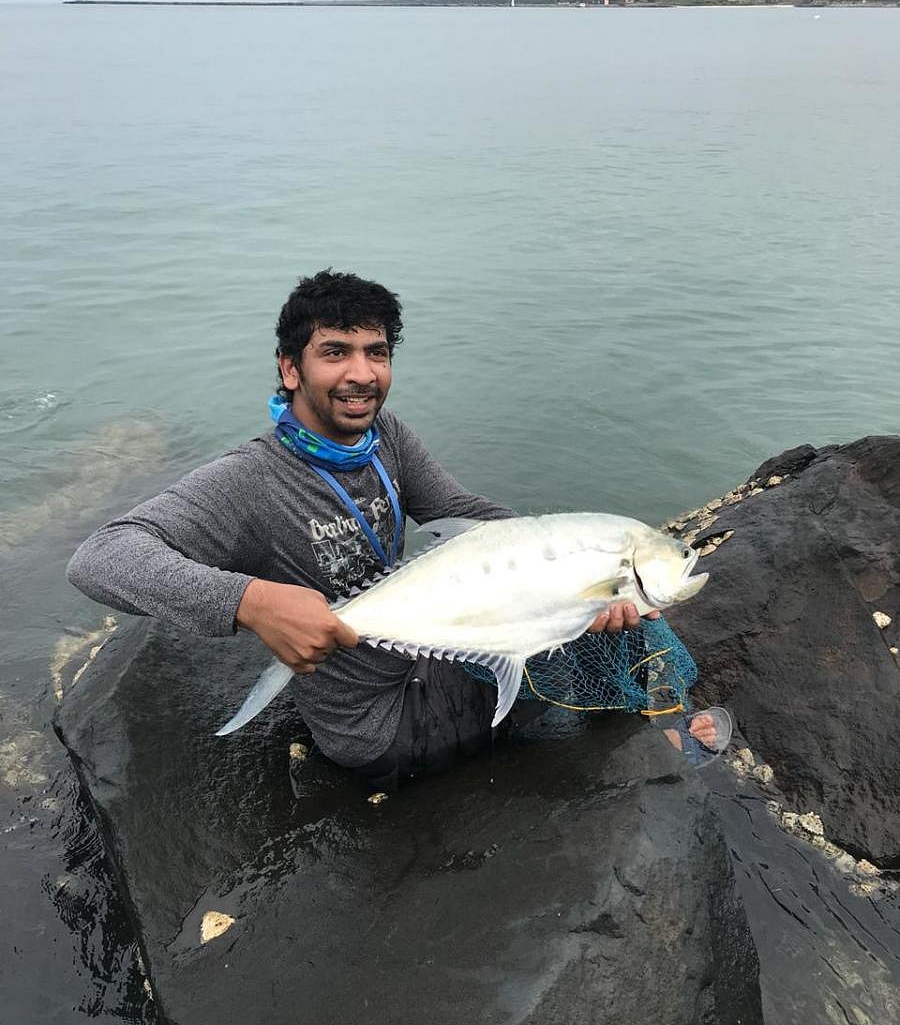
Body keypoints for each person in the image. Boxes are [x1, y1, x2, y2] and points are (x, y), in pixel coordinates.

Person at [67, 270, 725, 784]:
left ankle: (649, 726)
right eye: (335, 352)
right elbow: (101, 556)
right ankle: (667, 749)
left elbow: (467, 513)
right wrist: (252, 602)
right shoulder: (252, 480)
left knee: (597, 618)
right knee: (570, 665)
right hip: (378, 724)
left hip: (431, 653)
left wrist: (565, 555)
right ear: (289, 368)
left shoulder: (388, 439)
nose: (361, 374)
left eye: (376, 352)